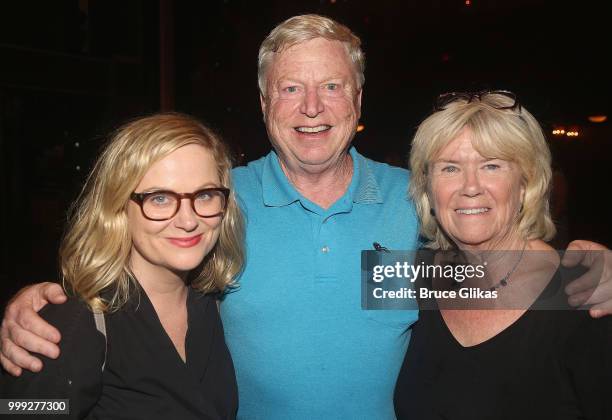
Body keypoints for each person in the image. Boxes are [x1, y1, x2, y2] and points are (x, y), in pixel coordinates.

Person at [2, 15, 612, 419]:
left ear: (359, 100)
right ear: (265, 103)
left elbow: (499, 282)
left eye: (333, 88)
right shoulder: (217, 204)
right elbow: (122, 259)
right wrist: (39, 303)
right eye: (291, 89)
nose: (312, 108)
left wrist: (590, 273)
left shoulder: (415, 204)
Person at [1, 113, 244, 419]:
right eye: (159, 199)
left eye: (205, 195)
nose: (188, 220)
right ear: (118, 207)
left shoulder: (215, 305)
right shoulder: (76, 321)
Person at [394, 91, 612, 419]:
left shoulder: (587, 293)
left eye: (491, 165)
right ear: (427, 188)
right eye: (450, 168)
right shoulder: (414, 278)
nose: (470, 186)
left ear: (526, 184)